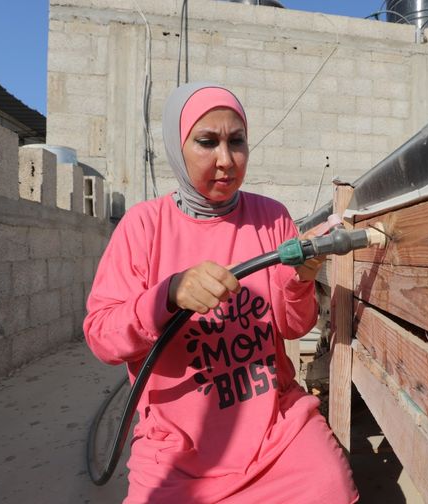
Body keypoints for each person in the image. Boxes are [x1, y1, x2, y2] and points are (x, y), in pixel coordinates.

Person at [83, 82, 359, 504]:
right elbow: (102, 336)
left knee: (331, 488)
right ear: (178, 146)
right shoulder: (143, 227)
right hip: (179, 445)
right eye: (207, 142)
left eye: (237, 142)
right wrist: (169, 294)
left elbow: (294, 325)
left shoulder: (271, 218)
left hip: (273, 428)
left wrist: (300, 279)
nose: (226, 161)